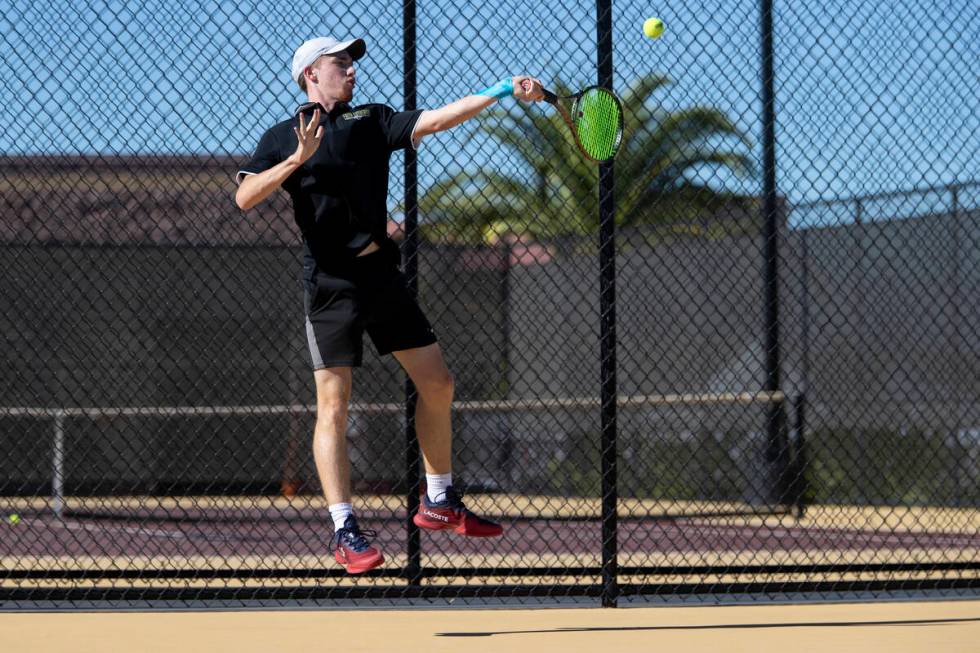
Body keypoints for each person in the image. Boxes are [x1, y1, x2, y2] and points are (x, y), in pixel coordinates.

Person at [235, 35, 544, 574]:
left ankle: (439, 499)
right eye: (340, 64)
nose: (351, 71)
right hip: (331, 284)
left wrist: (501, 88)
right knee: (333, 404)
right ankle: (344, 530)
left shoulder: (371, 121)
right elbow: (245, 196)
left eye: (352, 63)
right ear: (311, 74)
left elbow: (439, 120)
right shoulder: (281, 136)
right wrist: (296, 160)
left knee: (439, 382)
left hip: (381, 274)